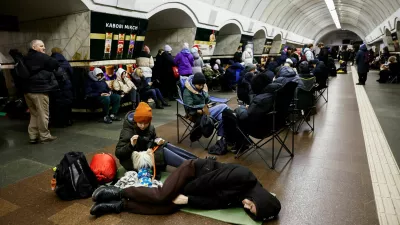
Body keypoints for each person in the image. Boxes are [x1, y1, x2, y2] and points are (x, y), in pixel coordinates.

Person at [90, 158, 281, 222]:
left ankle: (118, 206)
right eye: (252, 205)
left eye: (249, 210)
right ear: (259, 198)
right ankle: (117, 192)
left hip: (197, 187)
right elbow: (207, 182)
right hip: (193, 171)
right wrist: (184, 194)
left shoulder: (245, 196)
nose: (246, 206)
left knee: (168, 207)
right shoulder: (244, 176)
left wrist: (187, 201)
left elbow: (215, 202)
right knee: (164, 195)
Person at [115, 102, 198, 172]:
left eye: (146, 123)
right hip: (133, 161)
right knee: (162, 152)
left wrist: (157, 140)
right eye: (140, 123)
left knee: (165, 145)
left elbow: (152, 139)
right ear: (135, 120)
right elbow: (118, 154)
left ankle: (197, 161)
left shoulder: (150, 127)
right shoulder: (127, 131)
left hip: (145, 151)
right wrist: (130, 145)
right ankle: (193, 167)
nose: (143, 126)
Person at [24, 40, 59, 143]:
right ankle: (44, 135)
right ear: (34, 47)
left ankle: (33, 136)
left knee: (34, 114)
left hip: (27, 91)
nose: (44, 48)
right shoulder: (40, 56)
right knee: (43, 114)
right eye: (41, 46)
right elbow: (55, 63)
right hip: (39, 90)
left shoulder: (25, 57)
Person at [182, 73, 229, 139]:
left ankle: (219, 139)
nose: (201, 87)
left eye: (203, 85)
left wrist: (211, 104)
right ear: (194, 83)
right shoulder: (187, 91)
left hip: (207, 111)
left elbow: (208, 100)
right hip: (198, 114)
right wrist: (204, 105)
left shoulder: (202, 90)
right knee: (224, 106)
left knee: (223, 117)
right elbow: (189, 106)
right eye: (199, 85)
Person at [50, 48, 73, 127]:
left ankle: (58, 122)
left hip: (55, 86)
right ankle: (68, 120)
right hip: (66, 85)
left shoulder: (50, 60)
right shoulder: (65, 61)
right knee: (67, 103)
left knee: (56, 104)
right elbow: (71, 72)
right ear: (61, 52)